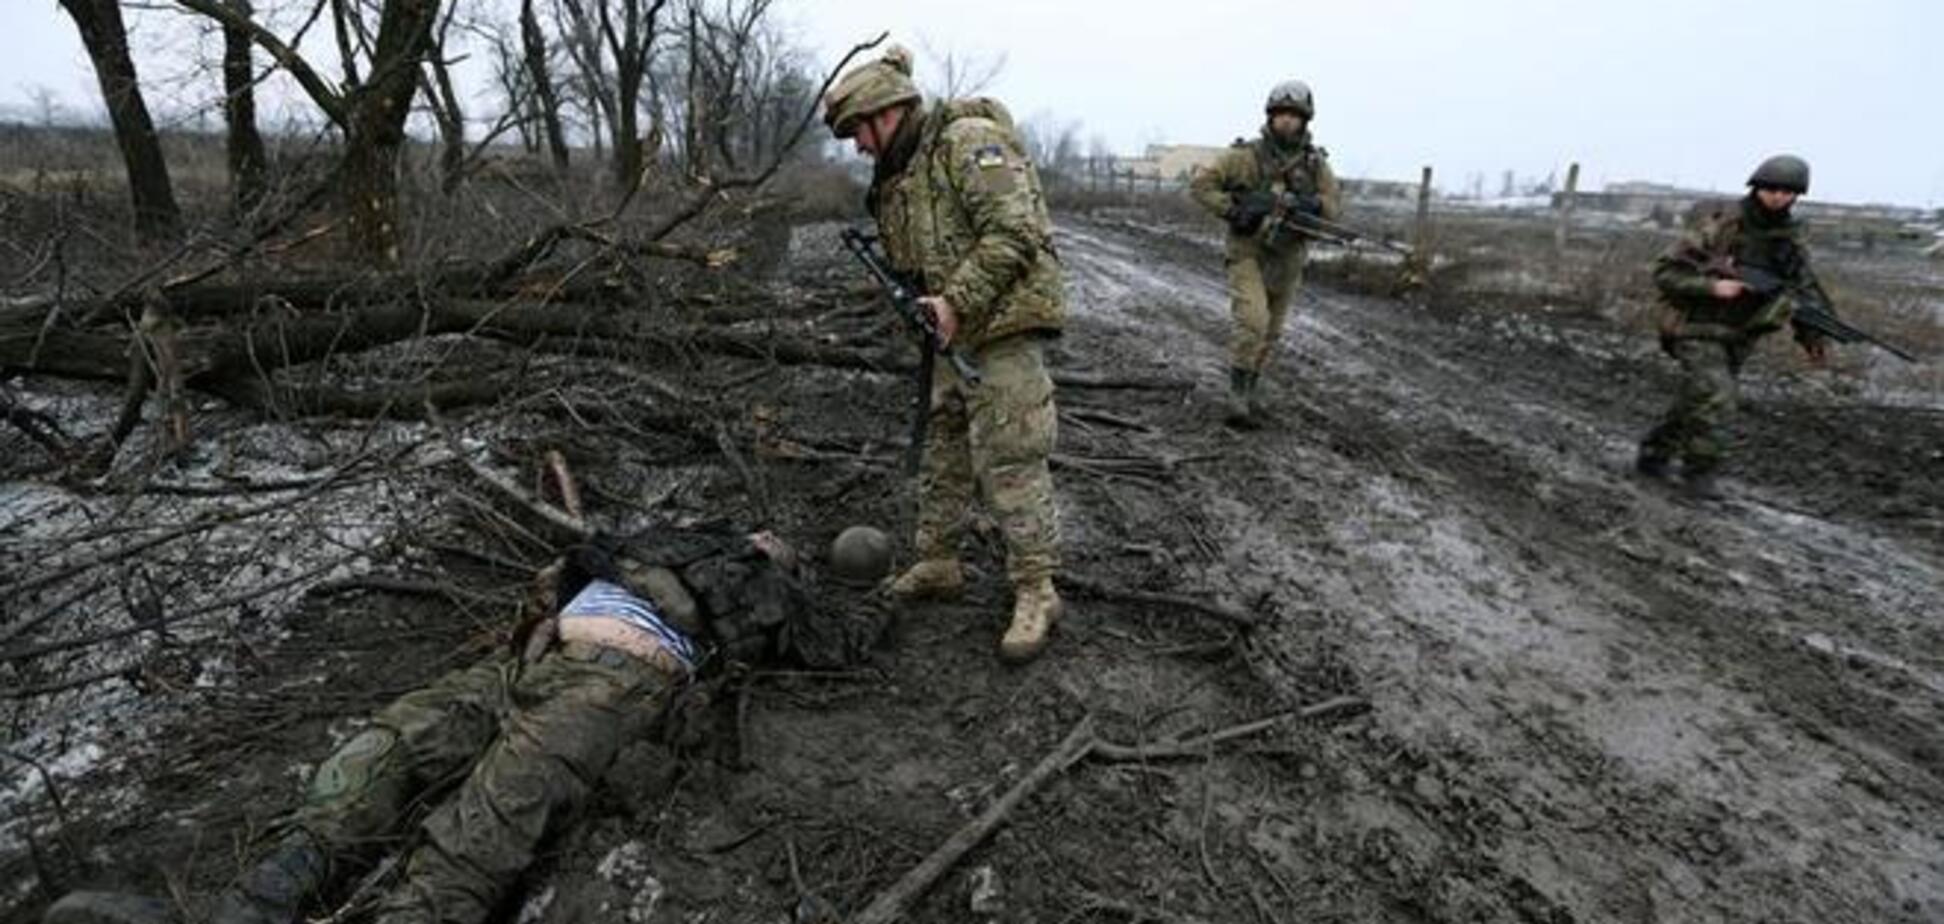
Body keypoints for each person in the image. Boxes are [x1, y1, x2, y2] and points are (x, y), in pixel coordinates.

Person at [45, 524, 886, 924]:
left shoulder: (778, 597)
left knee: (491, 817)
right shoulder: (674, 538)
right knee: (390, 745)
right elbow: (575, 562)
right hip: (529, 661)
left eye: (780, 543)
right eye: (762, 533)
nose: (765, 539)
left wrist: (889, 587)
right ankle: (259, 901)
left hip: (614, 687)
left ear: (790, 560)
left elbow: (844, 641)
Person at [820, 45, 1066, 663]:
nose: (858, 147)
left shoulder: (968, 142)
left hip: (1002, 324)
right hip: (953, 333)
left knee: (1011, 454)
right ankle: (939, 560)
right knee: (945, 445)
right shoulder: (901, 173)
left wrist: (955, 301)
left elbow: (1015, 232)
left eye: (859, 131)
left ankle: (1037, 588)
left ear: (888, 112)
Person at [1636, 154, 1833, 499]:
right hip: (1694, 326)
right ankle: (1699, 474)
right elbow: (1665, 272)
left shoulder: (1790, 238)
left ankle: (1654, 452)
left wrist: (1812, 337)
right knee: (1716, 397)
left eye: (1787, 192)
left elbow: (1803, 291)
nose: (1778, 197)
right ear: (1757, 187)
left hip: (1740, 333)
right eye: (1771, 189)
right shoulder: (1721, 225)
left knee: (1697, 398)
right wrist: (1712, 287)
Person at [1189, 80, 1343, 429]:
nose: (1287, 120)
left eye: (1294, 115)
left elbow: (1334, 204)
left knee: (1271, 332)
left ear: (1305, 120)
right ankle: (1237, 396)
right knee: (1253, 321)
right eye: (1281, 114)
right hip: (1248, 251)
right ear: (1271, 117)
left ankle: (1250, 387)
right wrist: (1233, 211)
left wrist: (1312, 204)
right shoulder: (1244, 156)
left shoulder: (1315, 164)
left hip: (1289, 256)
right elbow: (1201, 185)